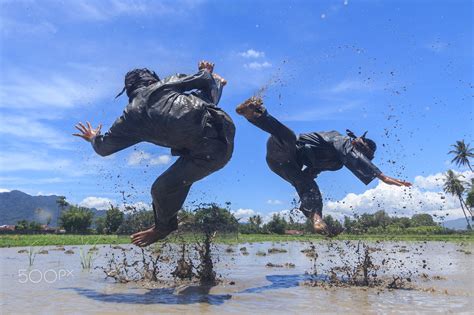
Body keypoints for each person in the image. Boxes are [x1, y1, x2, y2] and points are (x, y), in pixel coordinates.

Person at [73, 61, 235, 246]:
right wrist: (206, 71)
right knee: (201, 98)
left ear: (129, 92)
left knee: (160, 190)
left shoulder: (129, 120)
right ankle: (218, 84)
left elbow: (102, 149)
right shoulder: (165, 84)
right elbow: (204, 78)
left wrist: (94, 137)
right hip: (218, 138)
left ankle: (164, 227)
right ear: (151, 81)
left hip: (207, 153)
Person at [235, 96, 411, 236]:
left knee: (310, 187)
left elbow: (310, 174)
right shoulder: (338, 138)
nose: (355, 152)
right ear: (356, 143)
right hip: (283, 149)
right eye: (357, 149)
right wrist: (381, 176)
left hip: (285, 166)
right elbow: (346, 150)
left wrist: (307, 196)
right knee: (289, 135)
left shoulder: (336, 164)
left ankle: (318, 222)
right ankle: (254, 113)